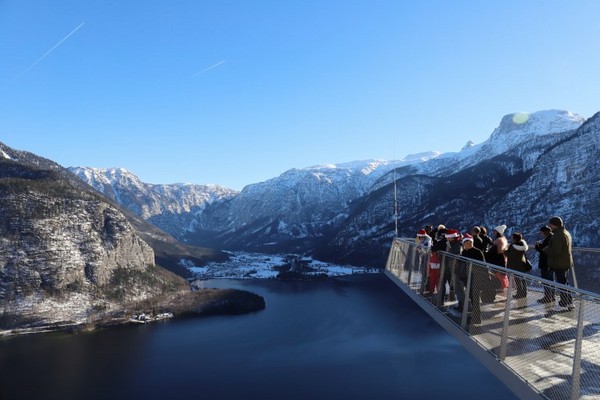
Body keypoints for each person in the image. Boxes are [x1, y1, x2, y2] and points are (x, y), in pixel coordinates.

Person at [543, 216, 574, 308]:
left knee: (561, 283)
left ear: (555, 225)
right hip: (565, 261)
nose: (549, 226)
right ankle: (568, 301)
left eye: (551, 224)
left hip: (559, 263)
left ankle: (564, 302)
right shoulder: (565, 233)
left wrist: (545, 249)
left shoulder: (557, 235)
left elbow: (555, 251)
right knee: (564, 282)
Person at [461, 234, 486, 324]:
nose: (464, 244)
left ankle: (477, 318)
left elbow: (483, 266)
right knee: (471, 297)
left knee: (475, 297)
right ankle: (474, 315)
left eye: (465, 242)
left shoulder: (477, 252)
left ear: (470, 242)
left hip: (475, 278)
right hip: (467, 278)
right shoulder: (464, 252)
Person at [505, 232, 530, 299]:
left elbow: (510, 255)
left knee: (517, 280)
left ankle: (519, 293)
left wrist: (505, 251)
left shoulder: (513, 246)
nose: (511, 238)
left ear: (515, 239)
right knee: (523, 279)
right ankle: (524, 293)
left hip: (515, 265)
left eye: (512, 237)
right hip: (522, 263)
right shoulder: (522, 245)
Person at [535, 226, 554, 303]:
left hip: (546, 263)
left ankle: (547, 297)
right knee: (550, 280)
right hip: (551, 263)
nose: (541, 234)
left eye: (541, 232)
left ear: (544, 232)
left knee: (546, 280)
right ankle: (551, 296)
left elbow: (544, 251)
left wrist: (537, 246)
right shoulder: (552, 238)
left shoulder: (548, 239)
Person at [486, 225, 509, 289]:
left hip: (498, 259)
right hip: (502, 258)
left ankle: (502, 288)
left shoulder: (499, 240)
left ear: (497, 232)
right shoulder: (504, 239)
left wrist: (488, 254)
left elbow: (498, 250)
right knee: (502, 274)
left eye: (495, 231)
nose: (494, 232)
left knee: (499, 275)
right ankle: (504, 287)